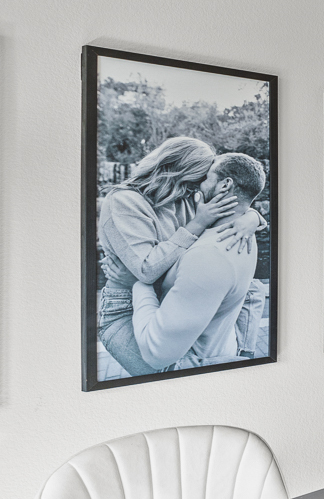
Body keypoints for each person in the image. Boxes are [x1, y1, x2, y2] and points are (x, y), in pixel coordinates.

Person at [97, 136, 258, 379]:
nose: (203, 185)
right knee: (173, 376)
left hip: (168, 294)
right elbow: (147, 270)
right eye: (202, 177)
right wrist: (198, 223)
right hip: (126, 307)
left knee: (251, 290)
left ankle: (243, 357)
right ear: (181, 171)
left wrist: (252, 218)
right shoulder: (124, 202)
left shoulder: (184, 196)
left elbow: (236, 202)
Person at [129, 153, 267, 370]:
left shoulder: (210, 255)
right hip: (219, 351)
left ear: (225, 185)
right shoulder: (242, 232)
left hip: (191, 367)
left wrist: (140, 283)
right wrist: (254, 217)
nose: (197, 186)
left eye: (206, 178)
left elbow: (156, 352)